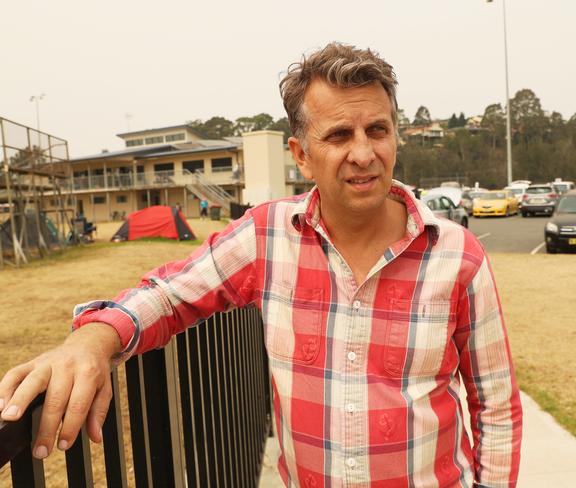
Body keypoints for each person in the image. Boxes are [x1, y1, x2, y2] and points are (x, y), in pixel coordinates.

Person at [0, 43, 522, 487]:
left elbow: (495, 407)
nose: (364, 153)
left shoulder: (457, 256)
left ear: (395, 137)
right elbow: (169, 295)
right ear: (300, 153)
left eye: (377, 130)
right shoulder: (267, 237)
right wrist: (93, 340)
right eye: (339, 135)